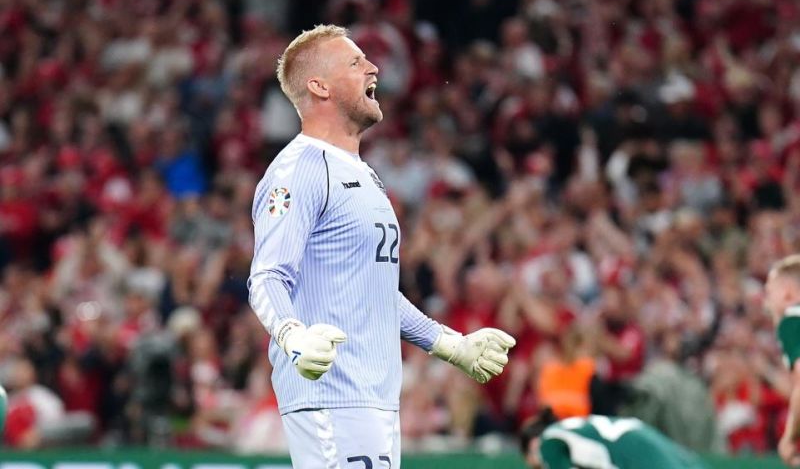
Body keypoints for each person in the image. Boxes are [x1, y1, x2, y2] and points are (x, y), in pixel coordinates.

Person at [247, 24, 516, 468]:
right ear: (320, 86)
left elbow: (372, 289)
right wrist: (293, 336)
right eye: (355, 62)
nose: (373, 66)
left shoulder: (362, 173)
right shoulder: (300, 169)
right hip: (331, 396)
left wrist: (449, 344)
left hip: (373, 399)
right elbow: (267, 275)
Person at [519, 408, 707, 469]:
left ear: (534, 445)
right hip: (648, 439)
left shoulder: (547, 441)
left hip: (637, 456)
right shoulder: (577, 430)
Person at [764, 254, 800, 466]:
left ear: (787, 294)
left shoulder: (792, 320)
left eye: (769, 292)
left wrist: (789, 438)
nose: (765, 300)